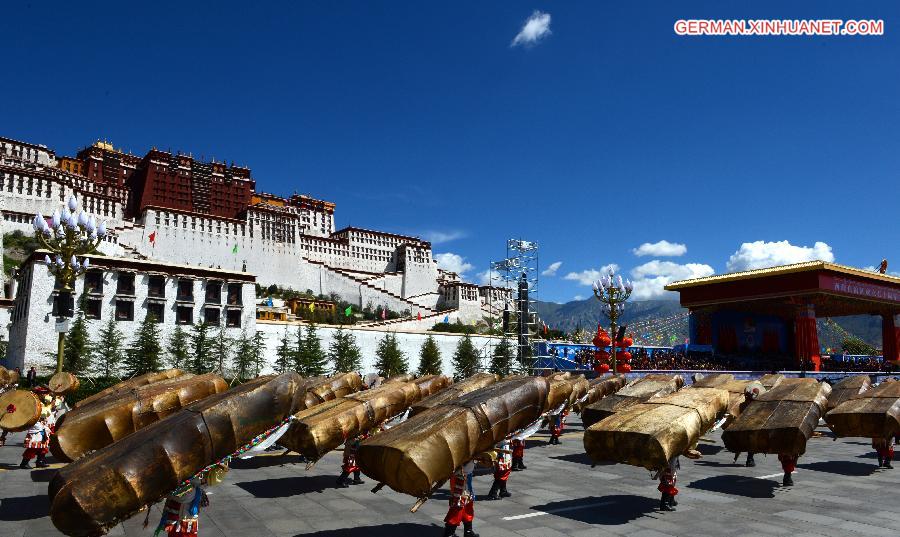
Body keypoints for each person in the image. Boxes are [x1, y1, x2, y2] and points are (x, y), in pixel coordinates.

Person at [154, 464, 228, 537]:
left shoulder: (190, 492)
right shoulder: (192, 488)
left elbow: (180, 496)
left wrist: (161, 494)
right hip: (179, 521)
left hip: (183, 522)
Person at [443, 461, 478, 537]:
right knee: (458, 506)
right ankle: (449, 534)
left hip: (467, 474)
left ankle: (468, 531)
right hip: (459, 476)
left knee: (468, 503)